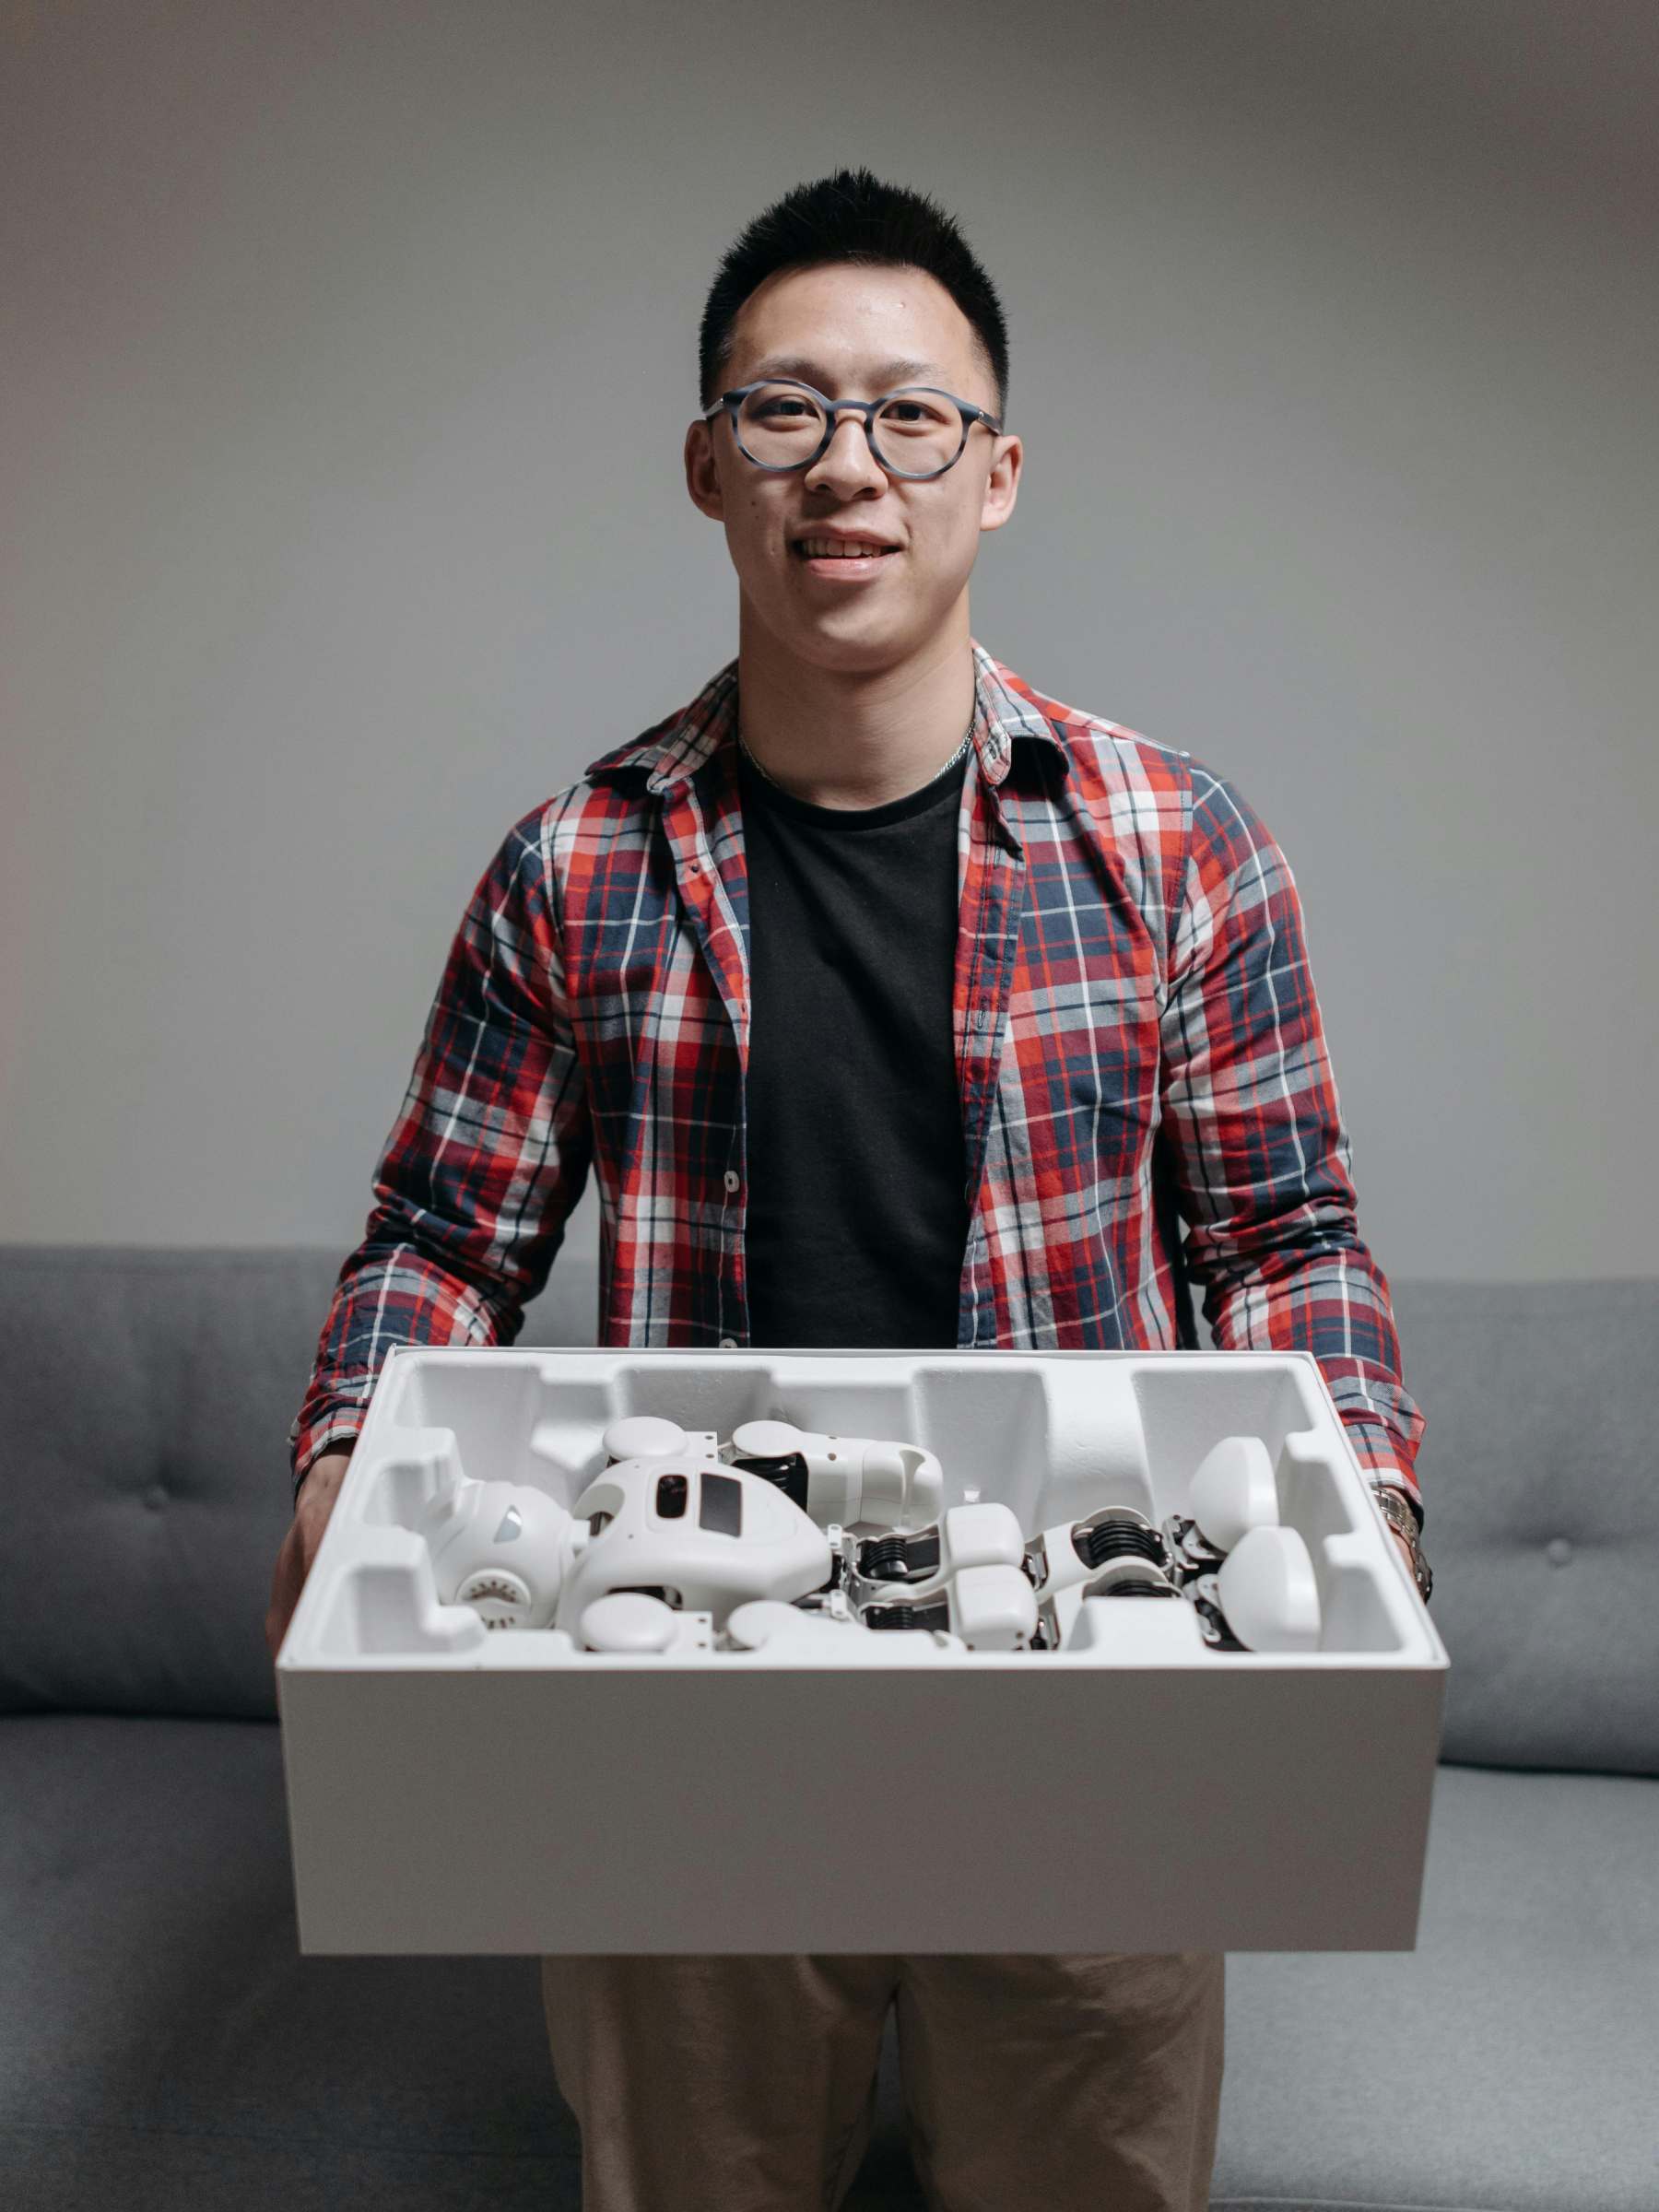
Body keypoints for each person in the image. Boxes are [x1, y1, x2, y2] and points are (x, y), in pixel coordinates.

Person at [268, 165, 1430, 2212]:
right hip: (691, 1722)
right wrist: (342, 1457)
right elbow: (443, 1241)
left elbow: (1283, 1239)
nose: (847, 466)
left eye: (911, 415)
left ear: (997, 474)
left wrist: (1370, 1517)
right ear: (708, 467)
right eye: (786, 410)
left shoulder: (1179, 846)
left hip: (1091, 1707)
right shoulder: (576, 867)